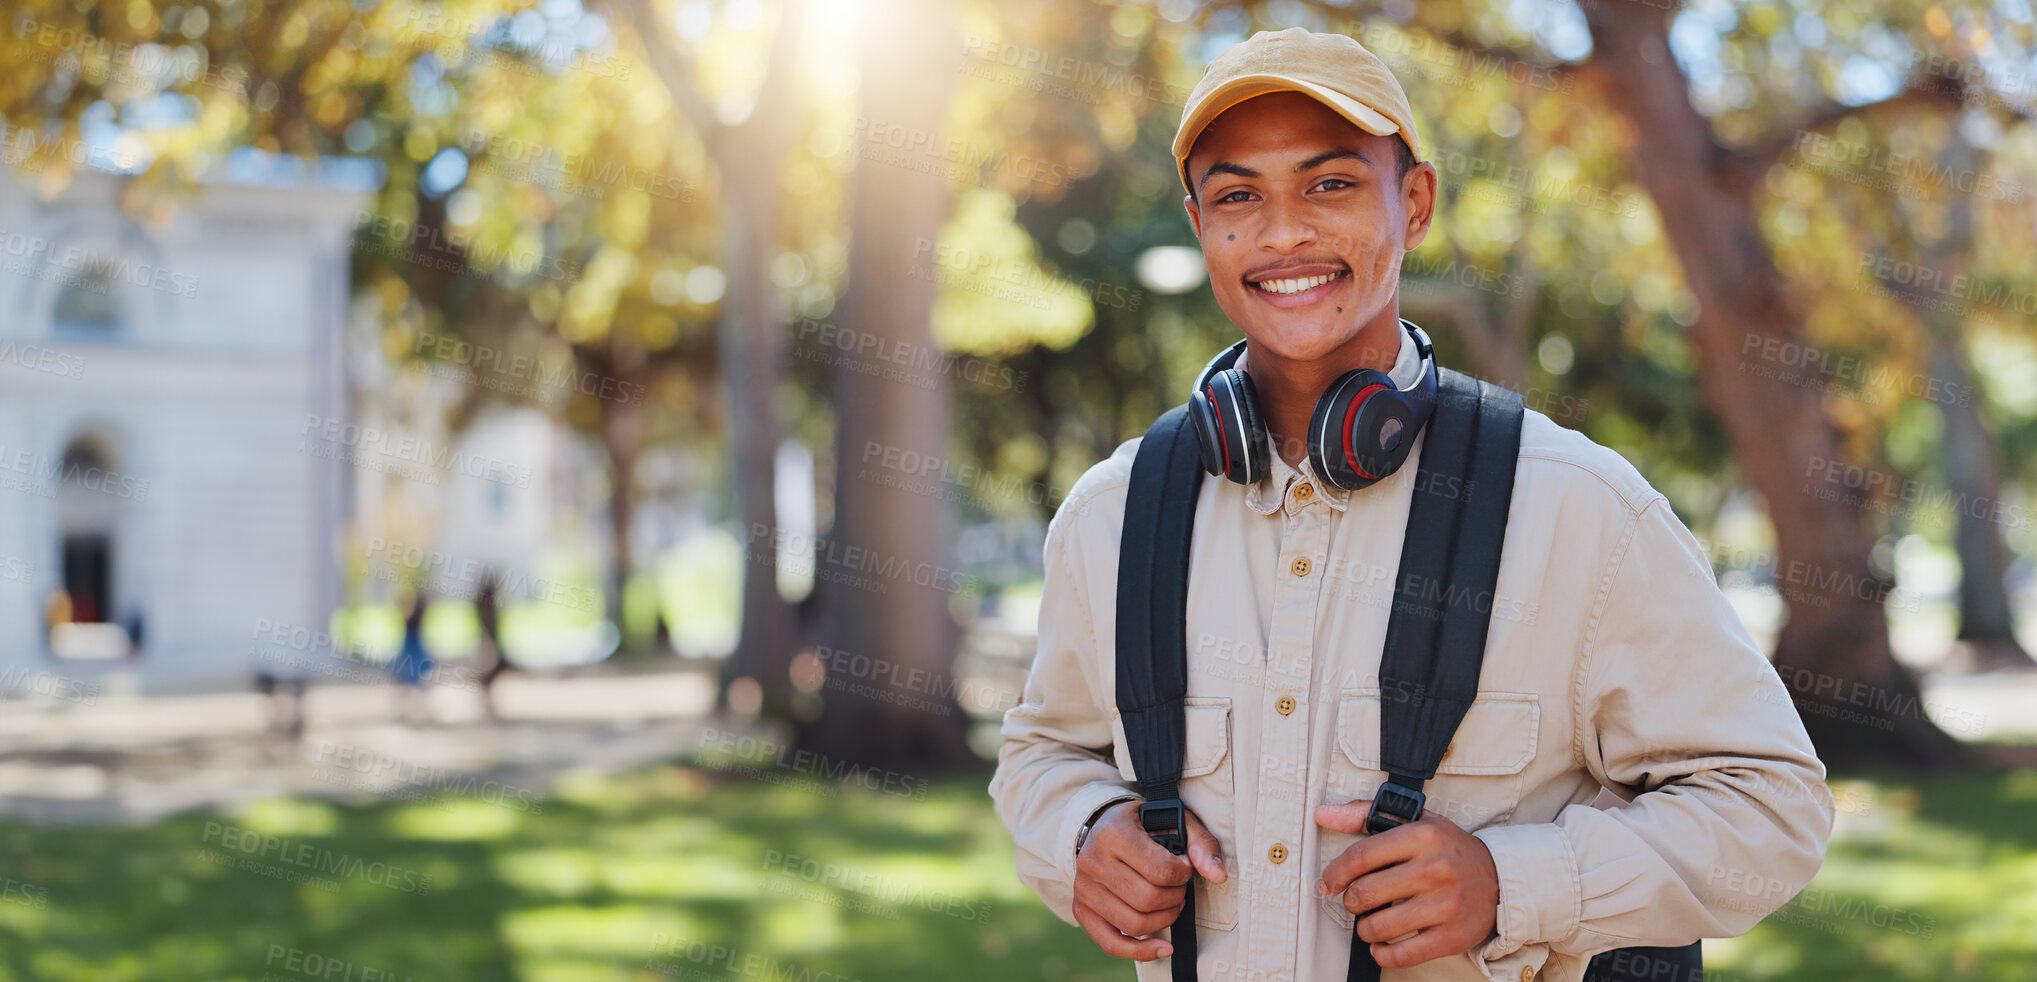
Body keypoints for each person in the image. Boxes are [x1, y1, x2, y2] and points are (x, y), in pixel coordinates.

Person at [988, 28, 1832, 982]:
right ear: (1199, 226)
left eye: (1330, 184)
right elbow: (1043, 753)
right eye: (1237, 196)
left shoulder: (1577, 510)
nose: (1281, 234)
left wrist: (1513, 883)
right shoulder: (1112, 517)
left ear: (1415, 203)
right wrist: (1083, 833)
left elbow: (1769, 809)